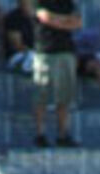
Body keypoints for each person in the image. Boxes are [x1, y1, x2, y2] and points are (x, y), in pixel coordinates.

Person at [33, 0, 81, 147]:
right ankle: (40, 133)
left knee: (65, 95)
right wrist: (64, 21)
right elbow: (45, 18)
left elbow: (77, 23)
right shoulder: (40, 2)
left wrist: (58, 20)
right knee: (42, 93)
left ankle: (62, 133)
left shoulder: (69, 4)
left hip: (66, 51)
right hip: (45, 51)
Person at [2, 0, 35, 75]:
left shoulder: (39, 17)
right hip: (18, 56)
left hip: (36, 54)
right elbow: (17, 45)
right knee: (31, 57)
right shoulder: (13, 18)